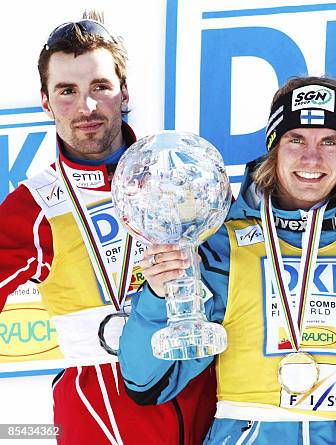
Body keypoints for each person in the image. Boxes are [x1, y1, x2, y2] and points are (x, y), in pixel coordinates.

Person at [120, 76, 336, 444]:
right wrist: (156, 296)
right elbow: (147, 382)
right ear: (273, 148)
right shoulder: (223, 247)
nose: (311, 157)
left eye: (329, 141)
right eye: (295, 139)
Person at [0, 12, 216, 445]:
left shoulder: (183, 173)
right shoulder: (33, 205)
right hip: (100, 412)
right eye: (67, 91)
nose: (86, 107)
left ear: (124, 92)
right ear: (45, 101)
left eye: (100, 87)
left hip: (201, 396)